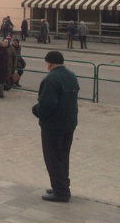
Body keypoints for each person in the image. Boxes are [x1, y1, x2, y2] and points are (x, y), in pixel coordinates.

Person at [32, 51, 79, 202]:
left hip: (53, 125)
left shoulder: (51, 79)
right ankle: (62, 184)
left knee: (53, 158)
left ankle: (61, 191)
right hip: (69, 123)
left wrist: (36, 110)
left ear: (50, 63)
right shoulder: (71, 75)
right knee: (63, 156)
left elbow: (47, 104)